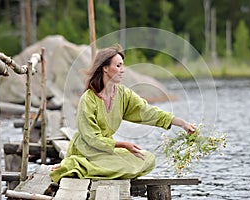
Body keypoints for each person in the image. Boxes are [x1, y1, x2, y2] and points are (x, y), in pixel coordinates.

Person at [49, 44, 196, 183]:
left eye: (122, 65)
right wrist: (123, 145)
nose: (122, 70)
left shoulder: (123, 94)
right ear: (105, 68)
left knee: (148, 159)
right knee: (129, 166)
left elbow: (148, 112)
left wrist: (182, 123)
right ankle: (75, 164)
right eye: (118, 65)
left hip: (106, 150)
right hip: (87, 150)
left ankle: (92, 169)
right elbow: (91, 138)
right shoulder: (88, 100)